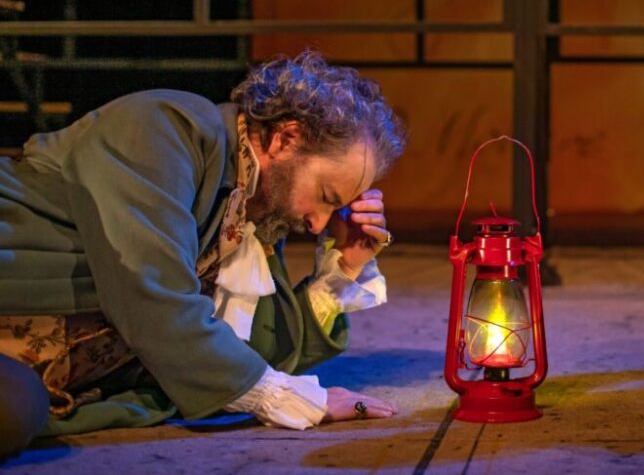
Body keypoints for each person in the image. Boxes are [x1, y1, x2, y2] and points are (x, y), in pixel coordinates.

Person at [0, 50, 405, 458]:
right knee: (12, 408)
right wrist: (289, 398)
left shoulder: (251, 208)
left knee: (17, 405)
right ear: (286, 139)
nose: (318, 225)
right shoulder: (160, 130)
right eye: (326, 196)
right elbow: (152, 298)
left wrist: (345, 265)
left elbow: (255, 351)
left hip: (40, 376)